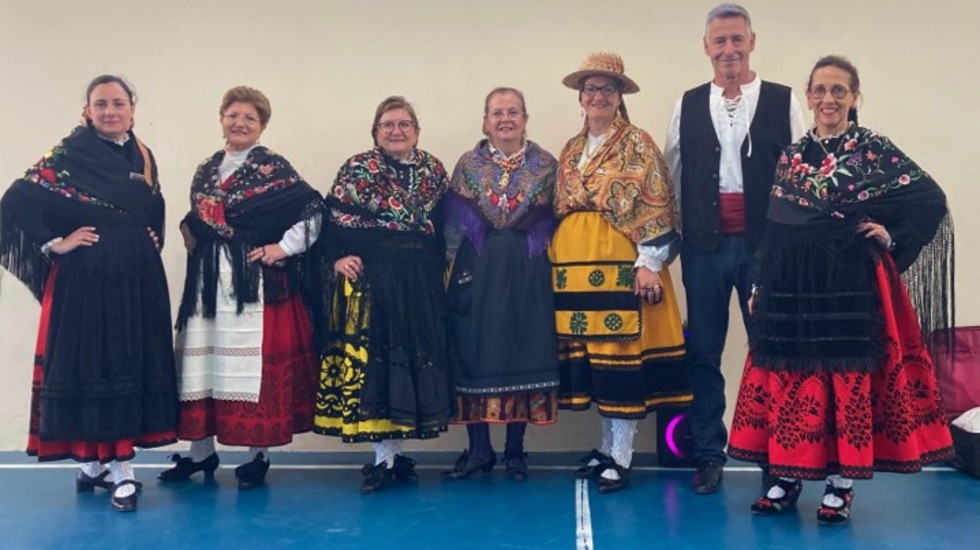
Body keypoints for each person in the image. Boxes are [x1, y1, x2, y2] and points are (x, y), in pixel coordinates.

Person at [728, 55, 955, 525]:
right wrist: (759, 283)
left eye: (838, 90)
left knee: (842, 377)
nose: (828, 99)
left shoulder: (873, 150)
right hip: (790, 285)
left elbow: (930, 200)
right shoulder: (791, 156)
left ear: (854, 97)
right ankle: (786, 476)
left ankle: (839, 485)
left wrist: (892, 236)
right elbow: (774, 227)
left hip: (846, 282)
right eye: (820, 90)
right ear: (809, 96)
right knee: (790, 376)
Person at [0, 75, 177, 512]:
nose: (109, 111)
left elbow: (152, 204)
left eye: (118, 103)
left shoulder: (143, 154)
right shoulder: (67, 154)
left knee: (129, 361)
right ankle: (121, 471)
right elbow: (15, 201)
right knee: (99, 364)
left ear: (132, 110)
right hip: (89, 278)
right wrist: (54, 243)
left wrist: (150, 236)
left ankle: (94, 466)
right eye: (101, 104)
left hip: (137, 276)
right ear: (87, 111)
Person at [663, 2, 805, 494]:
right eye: (720, 41)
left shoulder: (783, 100)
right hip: (704, 248)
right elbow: (673, 180)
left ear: (752, 42)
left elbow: (798, 179)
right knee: (703, 351)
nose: (729, 49)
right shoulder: (686, 105)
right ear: (707, 47)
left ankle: (779, 459)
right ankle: (709, 453)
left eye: (737, 39)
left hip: (765, 249)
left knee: (771, 351)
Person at [159, 86, 323, 490]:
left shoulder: (274, 170)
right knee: (203, 364)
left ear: (262, 126)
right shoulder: (206, 169)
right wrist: (189, 228)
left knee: (252, 368)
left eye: (250, 117)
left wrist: (282, 247)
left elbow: (314, 210)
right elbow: (201, 217)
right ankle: (201, 453)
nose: (240, 123)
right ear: (221, 120)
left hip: (256, 285)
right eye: (233, 115)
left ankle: (257, 456)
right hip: (208, 282)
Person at [553, 52, 691, 494]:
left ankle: (623, 454)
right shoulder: (571, 149)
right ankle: (606, 445)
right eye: (591, 89)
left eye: (607, 89)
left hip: (620, 262)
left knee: (621, 354)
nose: (598, 96)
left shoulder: (637, 143)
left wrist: (649, 263)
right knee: (596, 359)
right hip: (577, 267)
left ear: (619, 97)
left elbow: (658, 202)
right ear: (580, 97)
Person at [314, 96, 451, 493]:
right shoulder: (357, 169)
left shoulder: (434, 171)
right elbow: (331, 222)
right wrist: (338, 259)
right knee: (378, 365)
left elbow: (445, 229)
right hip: (373, 282)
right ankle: (383, 458)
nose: (396, 131)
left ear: (417, 131)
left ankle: (395, 455)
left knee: (410, 364)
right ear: (375, 132)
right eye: (388, 124)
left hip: (419, 282)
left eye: (404, 124)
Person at [442, 87, 560, 482]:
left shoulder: (546, 165)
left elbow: (559, 220)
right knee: (474, 350)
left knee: (522, 348)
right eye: (497, 113)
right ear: (485, 122)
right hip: (477, 268)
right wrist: (448, 276)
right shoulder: (468, 165)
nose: (505, 119)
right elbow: (453, 230)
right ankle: (479, 450)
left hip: (528, 269)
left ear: (525, 119)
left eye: (513, 112)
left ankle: (515, 451)